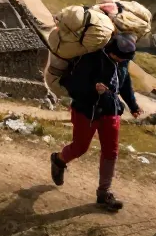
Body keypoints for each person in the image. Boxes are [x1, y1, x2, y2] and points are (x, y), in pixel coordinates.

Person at [50, 33, 142, 211]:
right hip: (87, 112)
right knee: (80, 147)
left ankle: (104, 193)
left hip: (111, 111)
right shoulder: (90, 59)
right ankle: (59, 160)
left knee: (111, 151)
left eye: (124, 59)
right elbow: (73, 85)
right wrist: (93, 89)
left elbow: (124, 83)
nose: (121, 60)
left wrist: (133, 104)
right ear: (109, 50)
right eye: (119, 57)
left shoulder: (121, 61)